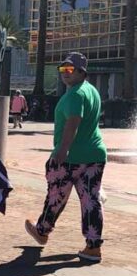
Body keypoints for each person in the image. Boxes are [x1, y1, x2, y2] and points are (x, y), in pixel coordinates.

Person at [25, 52, 107, 263]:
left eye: (70, 70)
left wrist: (63, 149)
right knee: (91, 200)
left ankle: (42, 230)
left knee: (56, 195)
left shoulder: (75, 95)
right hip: (95, 154)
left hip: (71, 157)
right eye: (62, 70)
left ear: (82, 72)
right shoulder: (92, 91)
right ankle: (93, 247)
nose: (65, 74)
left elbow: (73, 121)